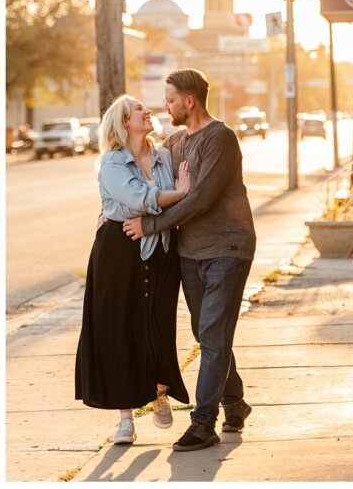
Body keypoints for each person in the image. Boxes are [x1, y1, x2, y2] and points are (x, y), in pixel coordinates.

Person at [123, 69, 256, 452]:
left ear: (189, 101)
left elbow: (200, 198)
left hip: (228, 248)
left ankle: (203, 422)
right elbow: (150, 184)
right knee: (206, 334)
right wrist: (113, 209)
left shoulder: (221, 138)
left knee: (213, 334)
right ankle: (235, 404)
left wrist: (150, 225)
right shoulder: (173, 141)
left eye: (169, 100)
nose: (165, 107)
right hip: (189, 251)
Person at [75, 94, 191, 446]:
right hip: (118, 250)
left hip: (161, 249)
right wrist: (179, 192)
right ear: (125, 122)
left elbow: (155, 205)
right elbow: (143, 201)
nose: (147, 110)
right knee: (120, 328)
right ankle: (125, 419)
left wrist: (168, 199)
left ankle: (159, 390)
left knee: (157, 321)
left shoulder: (165, 157)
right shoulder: (112, 163)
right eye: (138, 108)